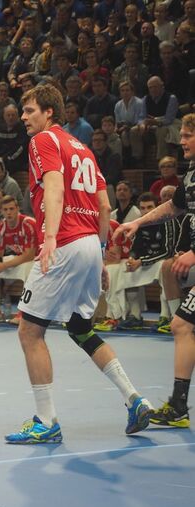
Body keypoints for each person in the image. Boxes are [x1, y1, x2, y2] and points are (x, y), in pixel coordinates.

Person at [6, 85, 154, 445]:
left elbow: (54, 189)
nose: (23, 117)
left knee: (29, 330)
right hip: (89, 243)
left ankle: (46, 421)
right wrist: (100, 256)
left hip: (64, 242)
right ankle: (135, 398)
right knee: (80, 328)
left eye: (29, 110)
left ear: (49, 113)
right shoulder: (84, 149)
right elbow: (104, 207)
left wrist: (50, 237)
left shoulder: (43, 141)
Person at [114, 113, 195, 428]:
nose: (181, 141)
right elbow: (174, 207)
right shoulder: (191, 174)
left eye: (187, 136)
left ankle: (178, 407)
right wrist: (137, 222)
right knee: (182, 325)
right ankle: (178, 407)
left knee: (182, 326)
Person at [95, 193, 176, 331]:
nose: (146, 211)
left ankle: (166, 317)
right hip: (145, 263)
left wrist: (141, 261)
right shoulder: (140, 224)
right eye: (142, 208)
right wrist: (132, 259)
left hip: (164, 262)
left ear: (157, 207)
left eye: (149, 207)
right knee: (120, 269)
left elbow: (167, 251)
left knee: (165, 267)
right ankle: (129, 316)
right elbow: (135, 249)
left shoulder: (168, 222)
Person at [0, 196, 37, 324]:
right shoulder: (1, 226)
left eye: (11, 209)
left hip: (39, 259)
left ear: (17, 209)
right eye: (5, 209)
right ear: (1, 211)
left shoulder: (28, 223)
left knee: (28, 270)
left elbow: (30, 255)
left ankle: (24, 313)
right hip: (21, 258)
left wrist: (4, 266)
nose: (9, 212)